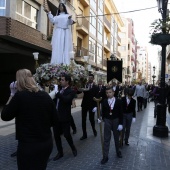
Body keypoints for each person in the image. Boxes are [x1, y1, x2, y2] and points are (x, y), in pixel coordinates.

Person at [1, 69, 56, 170]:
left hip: (29, 145)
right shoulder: (45, 96)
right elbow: (54, 120)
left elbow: (5, 116)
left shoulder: (19, 96)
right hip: (46, 143)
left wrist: (12, 94)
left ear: (19, 81)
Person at [52, 74, 77, 161]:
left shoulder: (71, 91)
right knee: (56, 135)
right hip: (56, 117)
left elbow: (66, 100)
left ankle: (73, 148)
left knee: (67, 135)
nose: (60, 81)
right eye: (61, 80)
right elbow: (55, 101)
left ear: (67, 81)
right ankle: (60, 152)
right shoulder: (59, 90)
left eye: (62, 80)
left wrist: (57, 94)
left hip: (65, 117)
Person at [101, 87, 123, 164]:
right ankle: (105, 156)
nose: (108, 94)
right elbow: (103, 111)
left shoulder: (118, 101)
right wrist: (101, 118)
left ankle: (118, 151)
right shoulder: (104, 101)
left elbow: (121, 113)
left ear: (113, 93)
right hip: (107, 120)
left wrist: (121, 123)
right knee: (106, 138)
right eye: (107, 93)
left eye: (110, 92)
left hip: (116, 120)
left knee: (116, 137)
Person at [80, 74, 99, 140]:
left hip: (92, 105)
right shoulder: (85, 85)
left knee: (91, 119)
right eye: (89, 78)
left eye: (91, 78)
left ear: (93, 79)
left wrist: (95, 106)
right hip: (84, 104)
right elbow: (79, 91)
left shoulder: (96, 87)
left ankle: (94, 130)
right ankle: (84, 134)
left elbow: (97, 97)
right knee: (83, 120)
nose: (89, 79)